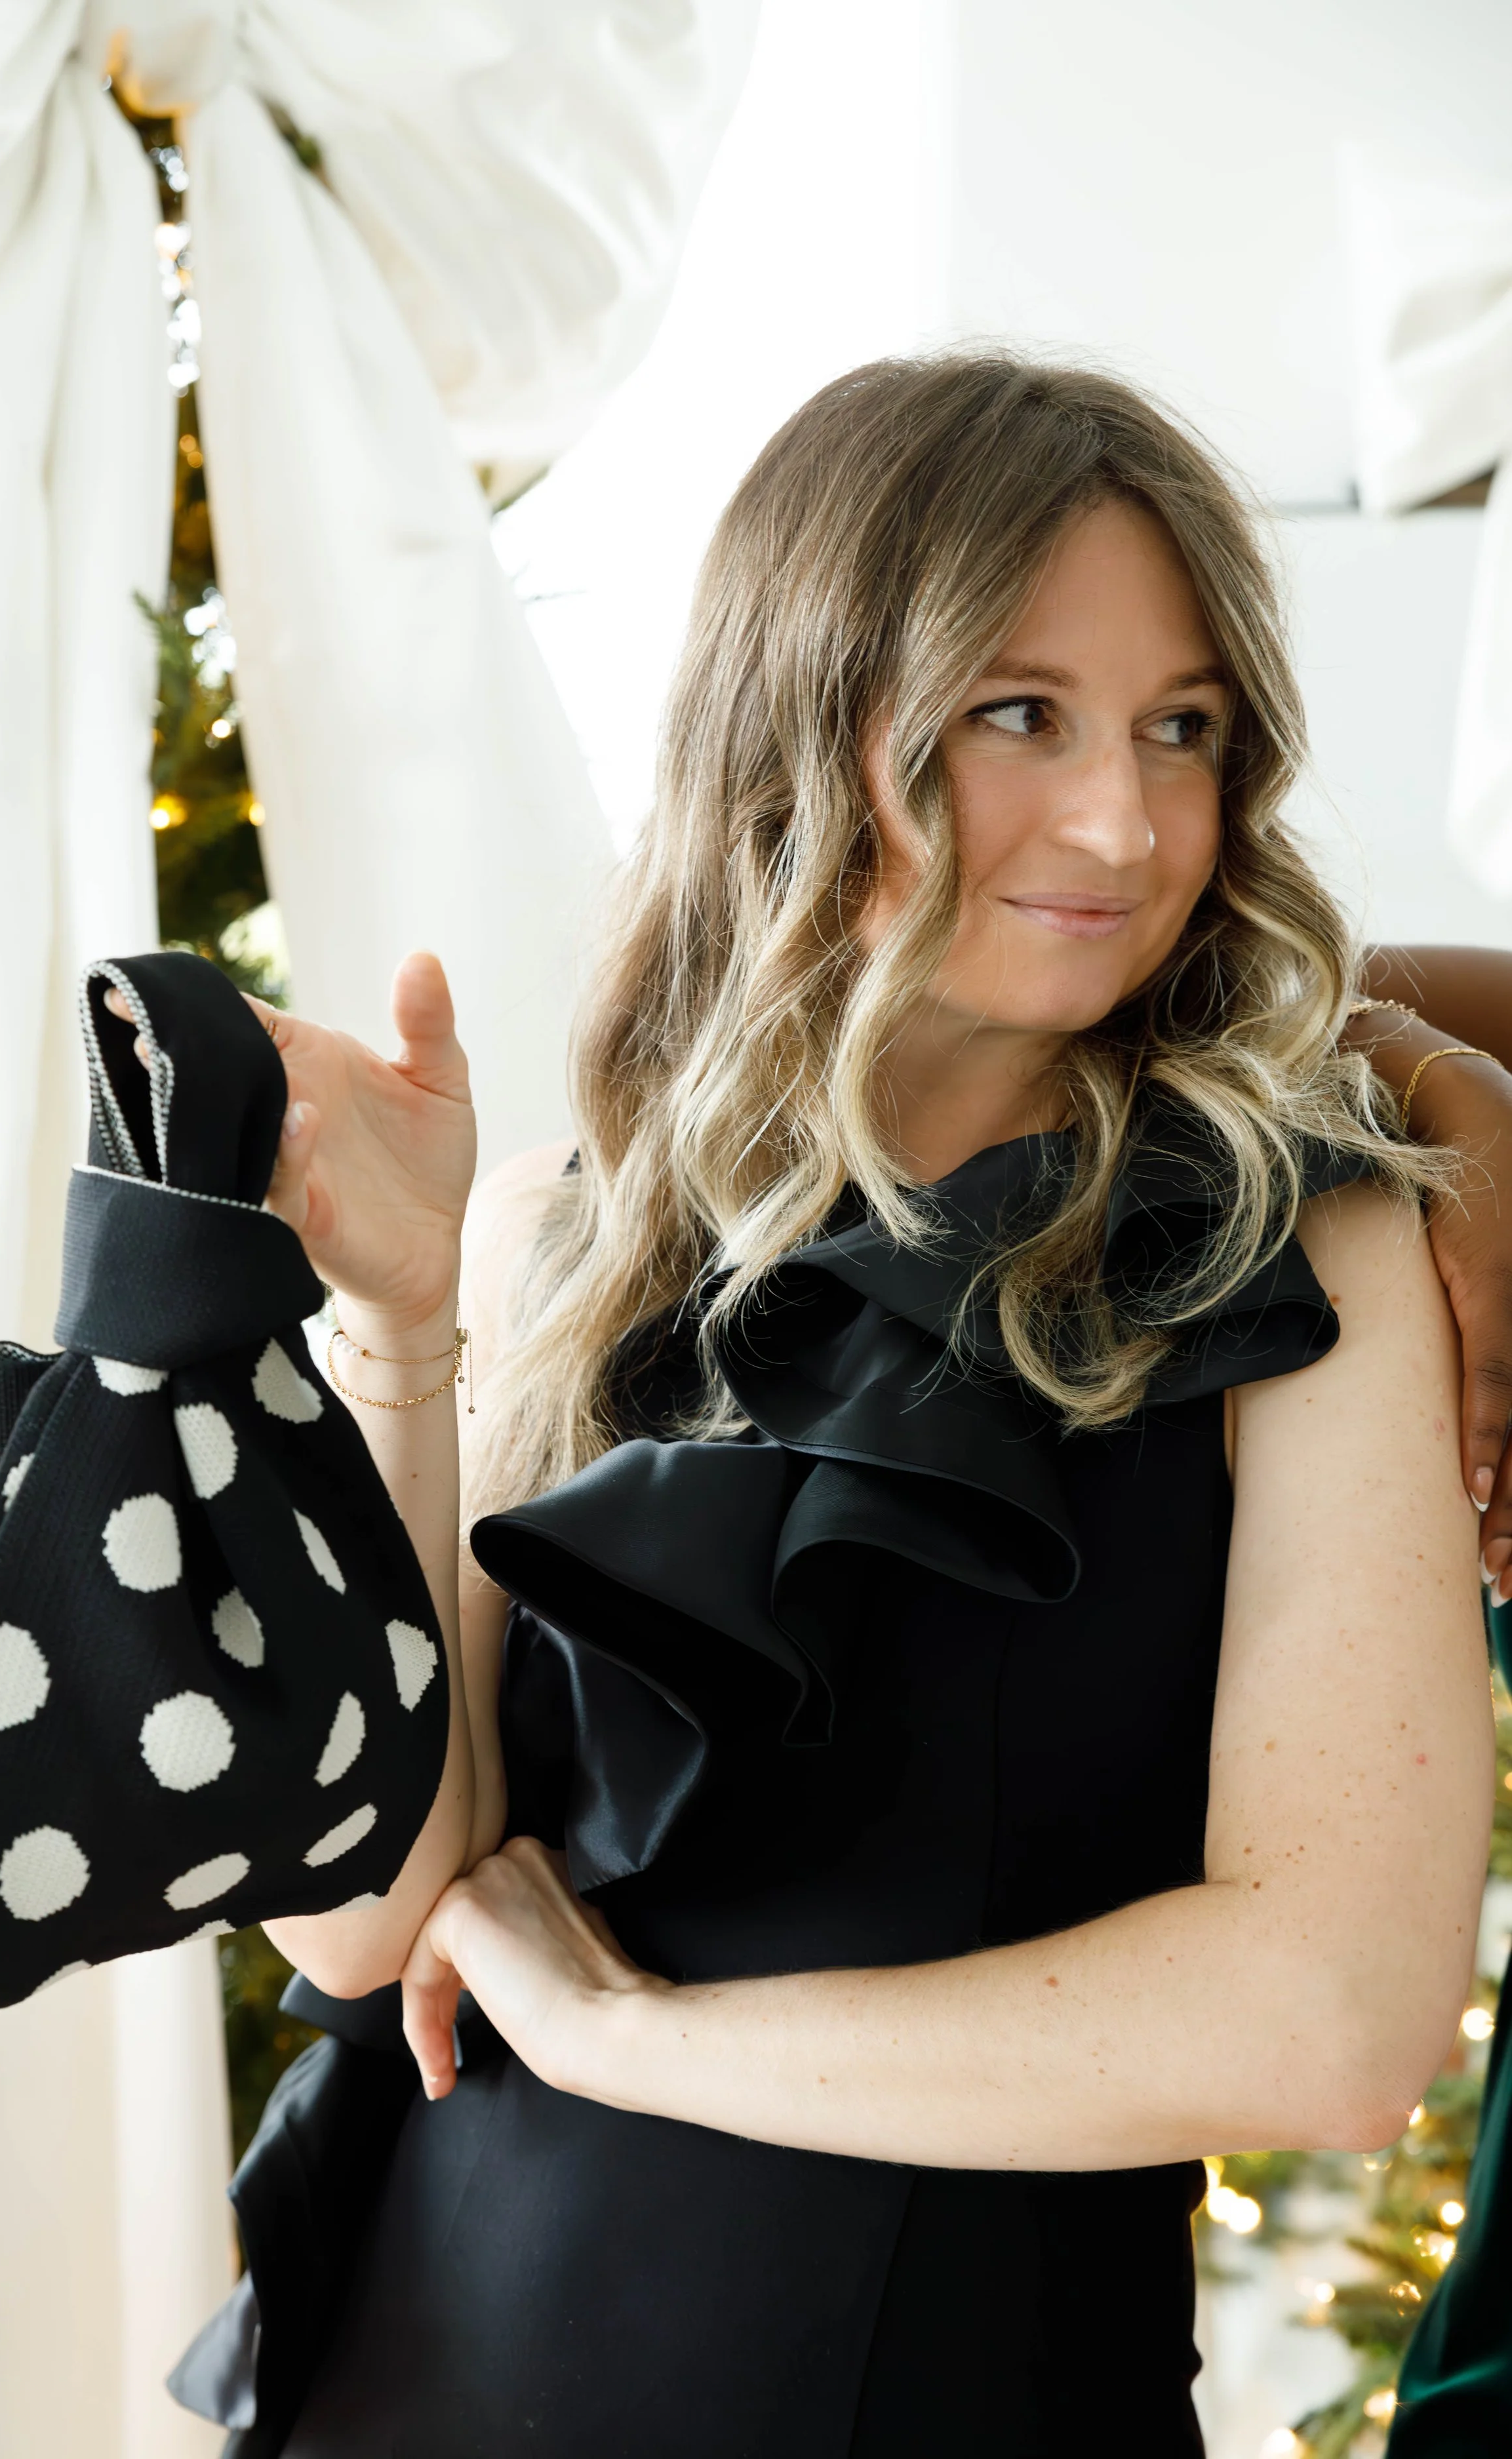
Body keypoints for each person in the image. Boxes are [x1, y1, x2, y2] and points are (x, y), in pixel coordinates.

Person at [155, 355, 1512, 2456]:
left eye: (1180, 727)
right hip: (421, 2370)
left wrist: (631, 2035)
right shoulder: (562, 1225)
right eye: (1018, 713)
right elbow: (354, 1926)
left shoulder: (1298, 1243)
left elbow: (1332, 2021)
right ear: (805, 709)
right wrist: (402, 1329)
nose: (1122, 823)